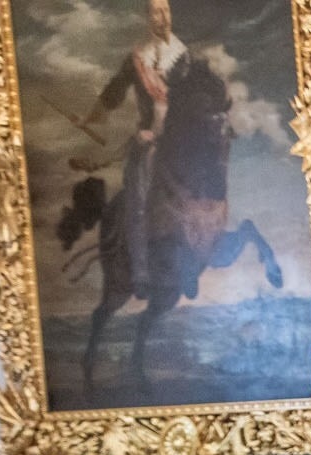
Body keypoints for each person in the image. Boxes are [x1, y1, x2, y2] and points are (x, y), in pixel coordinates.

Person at [81, 0, 186, 290]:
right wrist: (92, 118)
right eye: (155, 12)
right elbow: (115, 90)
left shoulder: (183, 56)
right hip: (147, 139)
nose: (162, 18)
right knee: (137, 202)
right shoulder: (138, 58)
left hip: (176, 138)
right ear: (147, 18)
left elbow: (186, 100)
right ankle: (140, 272)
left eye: (166, 11)